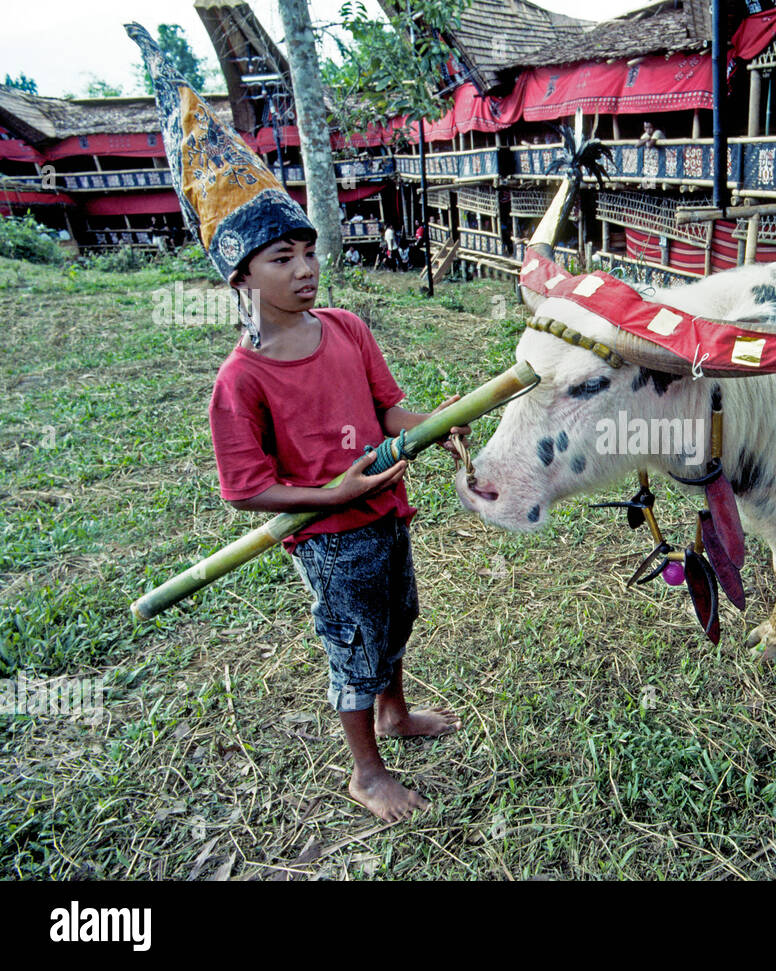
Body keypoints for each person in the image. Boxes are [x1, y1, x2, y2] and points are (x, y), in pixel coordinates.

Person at [130, 22, 468, 823]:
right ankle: (367, 768)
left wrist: (441, 424)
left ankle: (396, 709)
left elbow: (393, 410)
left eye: (308, 251)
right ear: (239, 275)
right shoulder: (239, 380)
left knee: (400, 614)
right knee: (351, 641)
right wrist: (332, 491)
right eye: (282, 258)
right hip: (328, 534)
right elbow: (247, 489)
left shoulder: (347, 327)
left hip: (385, 510)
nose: (306, 268)